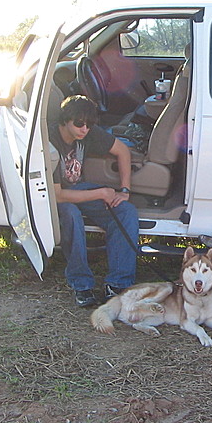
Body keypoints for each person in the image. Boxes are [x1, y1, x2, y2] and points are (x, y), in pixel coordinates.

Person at [49, 95, 139, 307]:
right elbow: (58, 195)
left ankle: (117, 284)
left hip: (80, 189)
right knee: (71, 215)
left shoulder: (87, 133)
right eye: (79, 124)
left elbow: (122, 151)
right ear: (65, 120)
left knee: (126, 211)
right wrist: (101, 193)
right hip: (54, 195)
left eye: (89, 125)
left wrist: (124, 189)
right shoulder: (50, 141)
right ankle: (81, 285)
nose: (84, 129)